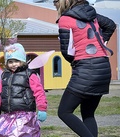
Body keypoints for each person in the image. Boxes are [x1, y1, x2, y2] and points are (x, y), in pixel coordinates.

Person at [56, 0, 116, 137]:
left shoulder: (65, 19)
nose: (55, 3)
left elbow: (66, 52)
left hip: (86, 69)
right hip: (103, 68)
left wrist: (76, 61)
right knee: (88, 114)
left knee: (64, 112)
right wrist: (101, 43)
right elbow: (111, 25)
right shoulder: (91, 14)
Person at [0, 43, 48, 137]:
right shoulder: (5, 76)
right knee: (2, 133)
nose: (13, 64)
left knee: (24, 134)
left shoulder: (29, 74)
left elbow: (39, 92)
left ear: (22, 61)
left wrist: (42, 108)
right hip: (7, 115)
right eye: (10, 62)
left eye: (16, 61)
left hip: (25, 114)